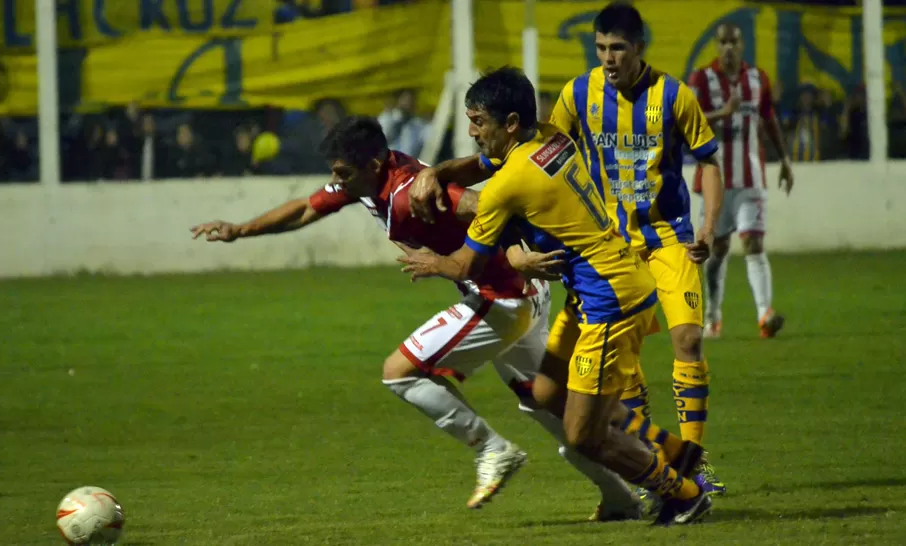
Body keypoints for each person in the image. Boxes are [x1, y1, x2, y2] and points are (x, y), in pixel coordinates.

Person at [189, 115, 644, 516]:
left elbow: (482, 204)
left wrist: (518, 250)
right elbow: (307, 207)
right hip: (521, 295)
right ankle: (628, 493)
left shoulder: (412, 190)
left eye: (343, 174)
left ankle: (492, 449)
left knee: (400, 372)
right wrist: (239, 230)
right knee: (551, 410)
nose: (337, 183)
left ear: (372, 166)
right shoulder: (365, 180)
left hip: (500, 297)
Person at [397, 66, 712, 526]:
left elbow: (466, 265)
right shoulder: (548, 136)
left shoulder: (509, 184)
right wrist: (441, 171)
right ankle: (666, 446)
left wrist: (431, 261)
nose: (471, 131)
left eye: (478, 121)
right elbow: (483, 165)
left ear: (508, 124)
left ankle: (681, 494)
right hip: (599, 284)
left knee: (582, 435)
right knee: (545, 391)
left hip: (610, 301)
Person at [544, 2, 727, 496]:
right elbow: (548, 156)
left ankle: (694, 465)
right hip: (610, 250)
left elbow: (709, 162)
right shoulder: (578, 94)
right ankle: (654, 466)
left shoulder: (673, 95)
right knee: (624, 365)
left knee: (688, 339)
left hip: (669, 239)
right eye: (600, 47)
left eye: (617, 48)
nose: (608, 57)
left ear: (638, 47)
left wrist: (708, 227)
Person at [687, 23, 794, 341]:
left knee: (753, 244)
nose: (728, 47)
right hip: (714, 179)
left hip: (751, 178)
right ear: (717, 46)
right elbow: (689, 120)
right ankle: (712, 317)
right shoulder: (701, 79)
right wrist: (723, 112)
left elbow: (768, 118)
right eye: (723, 42)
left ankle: (764, 314)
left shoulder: (757, 78)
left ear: (742, 44)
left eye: (734, 41)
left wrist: (785, 160)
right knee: (716, 250)